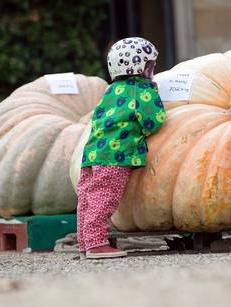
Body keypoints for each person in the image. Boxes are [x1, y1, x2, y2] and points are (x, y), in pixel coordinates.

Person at [77, 37, 166, 259]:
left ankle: (85, 242)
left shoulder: (111, 90)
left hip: (92, 153)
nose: (152, 69)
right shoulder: (141, 89)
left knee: (87, 198)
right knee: (104, 197)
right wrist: (155, 99)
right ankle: (97, 244)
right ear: (142, 67)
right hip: (115, 156)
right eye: (151, 65)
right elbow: (153, 122)